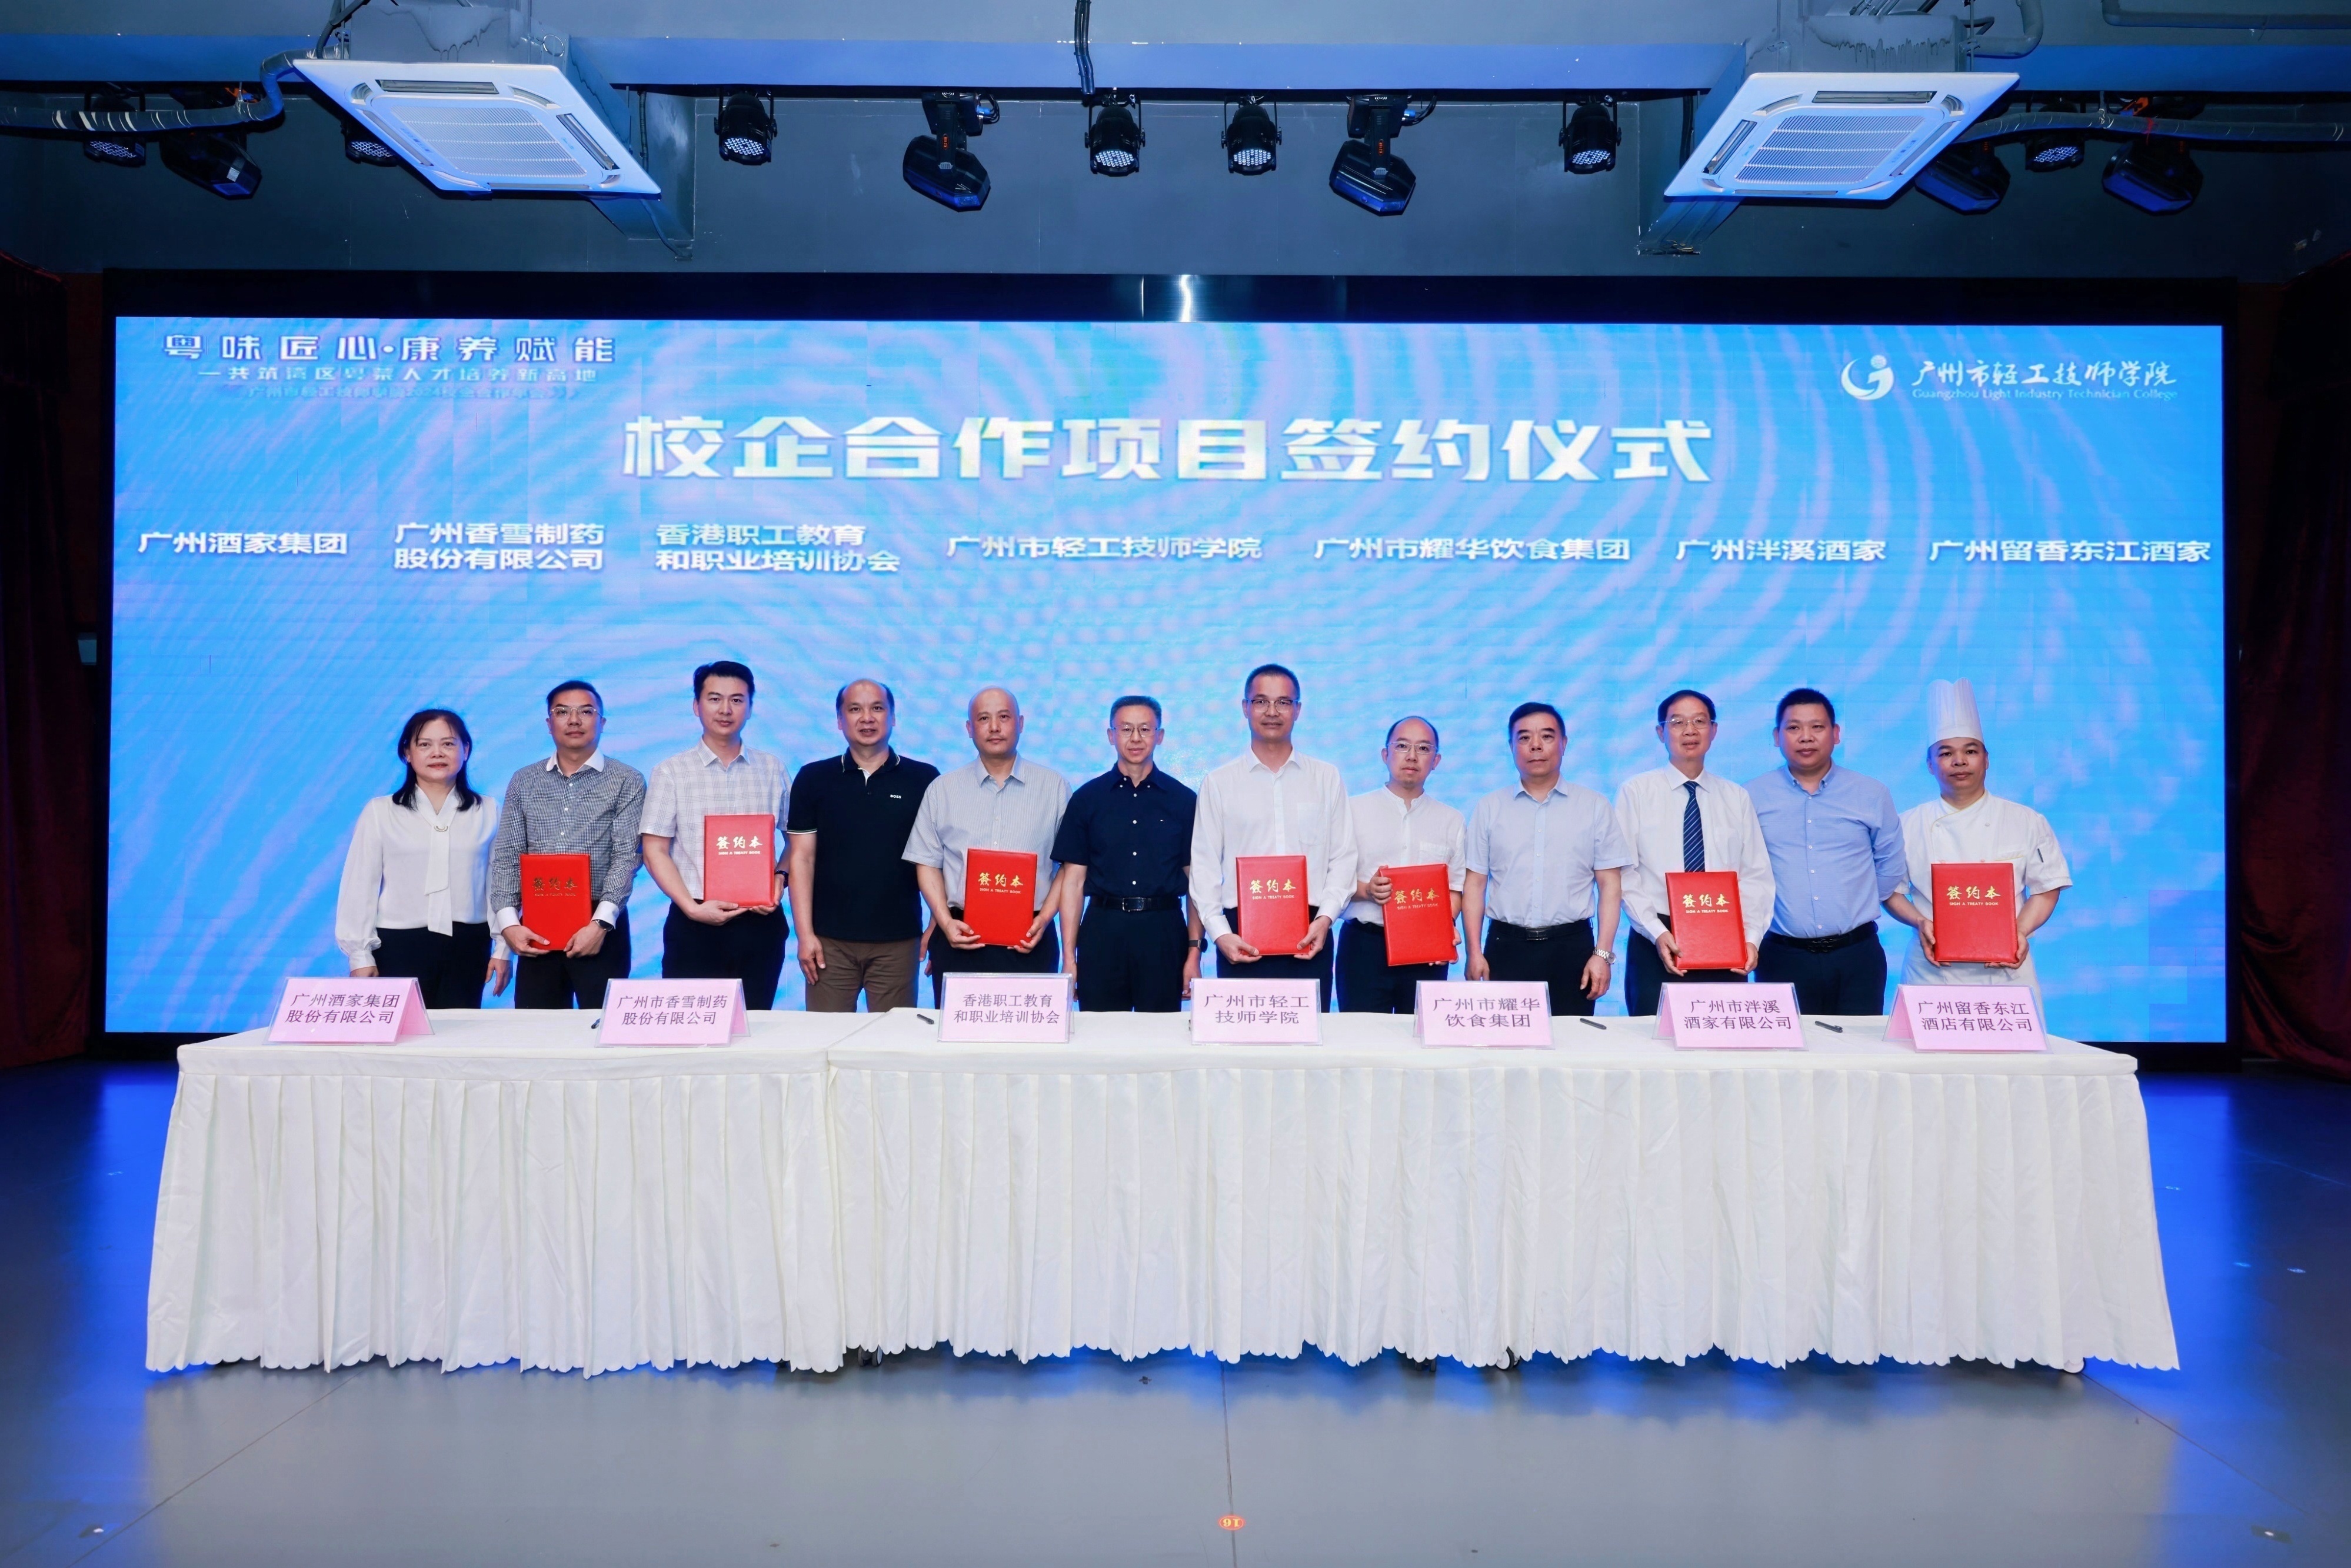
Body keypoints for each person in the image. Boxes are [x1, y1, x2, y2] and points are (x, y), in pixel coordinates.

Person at [1882, 678, 2073, 1003]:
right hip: (1932, 973)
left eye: (1970, 751)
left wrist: (2019, 932)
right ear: (1930, 765)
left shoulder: (2026, 820)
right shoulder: (1906, 825)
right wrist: (1919, 921)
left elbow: (2046, 888)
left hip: (2007, 973)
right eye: (1946, 753)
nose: (1960, 761)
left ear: (1986, 759)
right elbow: (1891, 891)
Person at [1189, 664, 1359, 1010]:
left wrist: (1325, 919)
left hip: (1310, 934)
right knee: (1243, 1038)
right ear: (1245, 708)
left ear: (1298, 709)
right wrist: (1221, 934)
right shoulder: (1219, 783)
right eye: (1261, 701)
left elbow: (1343, 857)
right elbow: (1204, 867)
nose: (1272, 712)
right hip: (1240, 935)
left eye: (1283, 702)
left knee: (1307, 1038)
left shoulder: (1326, 778)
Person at [905, 686, 1073, 1006]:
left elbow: (1069, 865)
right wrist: (944, 922)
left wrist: (1045, 919)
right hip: (959, 936)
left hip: (1031, 937)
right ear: (969, 729)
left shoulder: (1054, 788)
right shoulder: (943, 789)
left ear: (1021, 723)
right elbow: (926, 862)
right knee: (960, 1034)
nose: (994, 727)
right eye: (984, 719)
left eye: (1004, 717)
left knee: (1030, 1032)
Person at [1462, 702, 1630, 1017]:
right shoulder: (1489, 807)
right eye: (1524, 737)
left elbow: (1610, 886)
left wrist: (1603, 954)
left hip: (1573, 949)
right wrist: (1474, 951)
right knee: (1505, 1040)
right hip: (1505, 946)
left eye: (1547, 736)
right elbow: (1475, 885)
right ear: (1511, 746)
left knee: (1572, 1043)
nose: (1536, 746)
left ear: (1564, 744)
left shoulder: (1594, 806)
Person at [1613, 688, 1774, 1015]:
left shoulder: (1736, 797)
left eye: (1699, 721)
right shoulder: (1636, 792)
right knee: (1653, 1038)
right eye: (1677, 722)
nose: (1690, 730)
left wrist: (1751, 938)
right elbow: (1624, 873)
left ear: (1714, 731)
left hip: (1724, 936)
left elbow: (1756, 875)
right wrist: (1657, 932)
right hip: (1657, 935)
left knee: (1721, 1036)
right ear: (1661, 733)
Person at [640, 660, 790, 1008]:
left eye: (737, 700)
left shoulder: (772, 768)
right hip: (694, 923)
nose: (725, 710)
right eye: (714, 699)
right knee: (690, 1028)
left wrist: (780, 878)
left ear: (750, 707)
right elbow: (654, 850)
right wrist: (691, 909)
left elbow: (795, 840)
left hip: (759, 922)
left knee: (755, 1026)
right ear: (696, 706)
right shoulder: (671, 772)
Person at [1746, 687, 1906, 1016]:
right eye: (1794, 727)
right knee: (1787, 1047)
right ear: (1777, 737)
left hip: (1857, 954)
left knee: (1858, 1046)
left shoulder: (1871, 793)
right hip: (1781, 954)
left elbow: (1890, 865)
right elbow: (1742, 870)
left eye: (1817, 727)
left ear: (1836, 734)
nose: (1806, 737)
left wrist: (1853, 903)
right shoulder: (1751, 796)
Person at [335, 707, 510, 1008]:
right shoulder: (381, 811)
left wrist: (503, 948)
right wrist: (359, 956)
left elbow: (500, 883)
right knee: (401, 1034)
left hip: (469, 944)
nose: (437, 753)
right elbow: (360, 886)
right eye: (425, 744)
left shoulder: (488, 810)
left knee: (460, 1032)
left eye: (448, 744)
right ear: (407, 753)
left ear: (466, 750)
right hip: (398, 945)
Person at [488, 680, 646, 1010]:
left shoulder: (626, 780)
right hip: (537, 923)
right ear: (549, 723)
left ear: (602, 722)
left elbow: (626, 857)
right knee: (537, 1030)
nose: (574, 720)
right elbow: (507, 858)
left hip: (601, 922)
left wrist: (600, 924)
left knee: (603, 1027)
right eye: (562, 712)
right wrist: (510, 925)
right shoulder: (524, 780)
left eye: (586, 712)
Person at [787, 679, 940, 1013]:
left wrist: (935, 923)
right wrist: (805, 935)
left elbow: (938, 861)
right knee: (827, 1038)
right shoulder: (813, 778)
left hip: (899, 941)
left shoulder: (924, 779)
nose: (867, 718)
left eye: (877, 708)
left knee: (891, 1041)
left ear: (893, 717)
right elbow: (801, 859)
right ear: (839, 720)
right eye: (855, 709)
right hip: (828, 943)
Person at [1053, 695, 1201, 1012]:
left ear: (1160, 736)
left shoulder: (1183, 801)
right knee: (1100, 1032)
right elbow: (1073, 882)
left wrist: (1194, 953)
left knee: (1161, 1033)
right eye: (1126, 729)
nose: (1136, 738)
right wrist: (1069, 957)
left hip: (1163, 930)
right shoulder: (1087, 800)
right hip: (1103, 930)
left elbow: (1196, 884)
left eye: (1145, 729)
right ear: (1111, 735)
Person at [1337, 716, 1465, 1014]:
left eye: (1424, 748)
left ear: (1436, 761)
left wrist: (1442, 933)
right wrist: (1367, 890)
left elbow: (1455, 889)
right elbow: (1331, 879)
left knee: (1422, 1036)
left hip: (1427, 950)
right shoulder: (1352, 811)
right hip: (1365, 945)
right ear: (1385, 754)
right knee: (1361, 1037)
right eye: (1402, 746)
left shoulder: (1452, 820)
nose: (1412, 756)